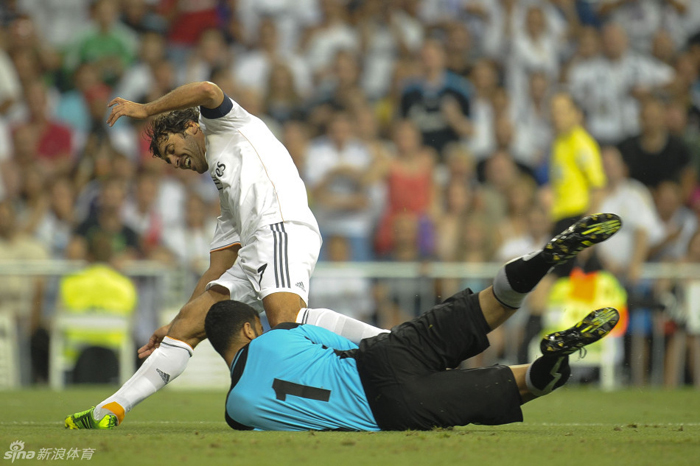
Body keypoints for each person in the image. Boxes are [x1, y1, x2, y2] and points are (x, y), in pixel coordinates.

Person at [65, 80, 386, 429]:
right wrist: (174, 322)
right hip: (254, 248)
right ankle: (110, 409)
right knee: (188, 325)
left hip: (281, 228)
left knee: (287, 328)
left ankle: (390, 347)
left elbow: (207, 89)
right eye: (169, 159)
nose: (175, 161)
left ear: (191, 128)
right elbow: (216, 271)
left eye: (172, 148)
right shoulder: (230, 201)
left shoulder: (228, 126)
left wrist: (144, 110)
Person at [206, 214, 622, 431]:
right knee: (487, 305)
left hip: (391, 411)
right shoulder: (281, 336)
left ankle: (552, 360)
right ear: (249, 328)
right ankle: (542, 260)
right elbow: (338, 336)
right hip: (383, 356)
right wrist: (403, 346)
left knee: (519, 385)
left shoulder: (236, 413)